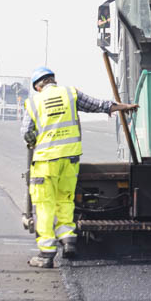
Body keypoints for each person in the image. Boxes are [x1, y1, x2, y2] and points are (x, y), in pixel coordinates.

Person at [21, 66, 136, 267]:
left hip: (46, 161)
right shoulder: (69, 93)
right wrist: (121, 107)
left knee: (45, 205)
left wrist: (35, 141)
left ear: (37, 87)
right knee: (65, 199)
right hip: (70, 158)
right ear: (53, 80)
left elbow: (27, 133)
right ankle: (68, 242)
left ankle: (46, 255)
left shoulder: (33, 102)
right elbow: (97, 105)